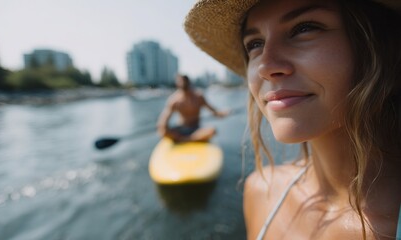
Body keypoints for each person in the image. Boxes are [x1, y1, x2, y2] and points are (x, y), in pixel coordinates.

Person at [184, 0, 401, 239]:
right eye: (255, 44)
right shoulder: (261, 192)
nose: (266, 66)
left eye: (304, 28)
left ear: (380, 47)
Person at [157, 74, 229, 142]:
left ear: (189, 82)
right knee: (163, 132)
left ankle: (184, 140)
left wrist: (223, 113)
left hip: (196, 129)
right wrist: (163, 128)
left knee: (212, 131)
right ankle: (191, 139)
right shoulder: (174, 100)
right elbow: (163, 120)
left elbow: (214, 112)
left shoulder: (198, 96)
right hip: (182, 128)